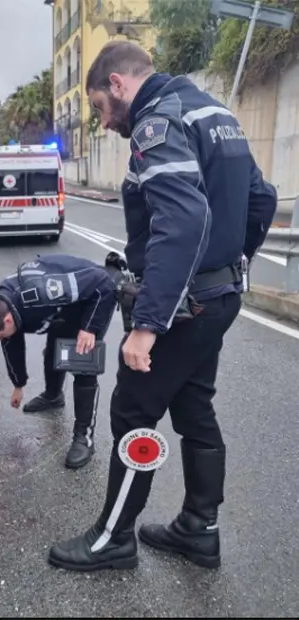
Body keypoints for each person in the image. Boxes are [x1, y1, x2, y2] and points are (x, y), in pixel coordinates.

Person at [47, 40, 277, 572]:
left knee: (132, 409)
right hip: (217, 297)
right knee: (194, 406)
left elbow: (183, 221)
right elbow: (261, 199)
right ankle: (200, 529)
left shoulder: (157, 123)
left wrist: (147, 324)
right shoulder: (215, 113)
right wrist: (231, 264)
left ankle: (113, 538)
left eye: (101, 108)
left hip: (185, 305)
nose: (103, 123)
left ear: (119, 85)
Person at [0, 254, 118, 469]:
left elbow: (102, 283)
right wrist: (18, 384)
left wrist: (90, 329)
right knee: (54, 350)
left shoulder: (43, 291)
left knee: (82, 364)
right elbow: (12, 345)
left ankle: (84, 437)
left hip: (92, 298)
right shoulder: (2, 304)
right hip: (62, 309)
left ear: (8, 320)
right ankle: (53, 396)